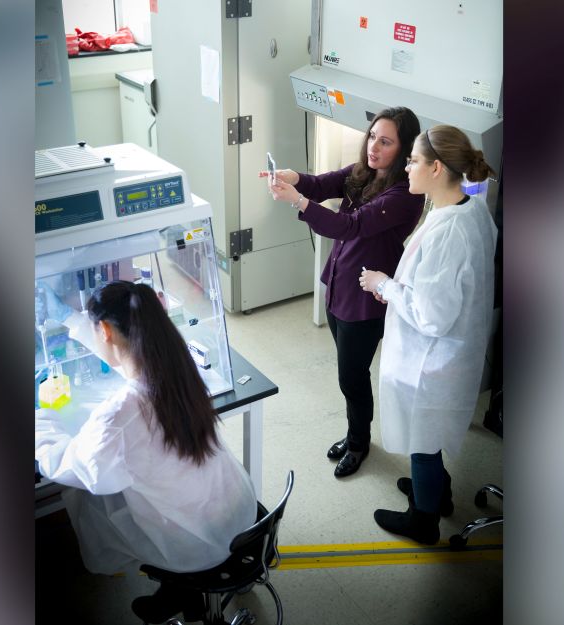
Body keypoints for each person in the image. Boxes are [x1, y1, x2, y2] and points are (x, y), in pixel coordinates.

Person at [35, 280, 257, 623]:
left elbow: (69, 465)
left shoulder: (121, 415)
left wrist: (43, 416)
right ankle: (181, 593)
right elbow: (125, 357)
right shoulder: (177, 364)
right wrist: (72, 319)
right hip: (240, 514)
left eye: (96, 331)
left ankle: (181, 587)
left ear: (105, 330)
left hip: (197, 545)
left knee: (93, 501)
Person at [262, 106, 425, 478]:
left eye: (386, 142)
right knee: (349, 373)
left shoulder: (405, 194)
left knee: (352, 376)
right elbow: (322, 183)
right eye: (372, 137)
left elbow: (350, 226)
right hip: (340, 283)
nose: (374, 147)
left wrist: (299, 202)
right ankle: (356, 435)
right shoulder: (363, 173)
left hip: (366, 298)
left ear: (403, 150)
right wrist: (294, 178)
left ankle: (358, 443)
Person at [359, 125, 497, 544]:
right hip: (449, 352)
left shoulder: (450, 230)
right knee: (430, 434)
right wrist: (399, 290)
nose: (407, 166)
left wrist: (384, 285)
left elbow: (433, 315)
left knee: (423, 435)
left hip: (434, 358)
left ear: (437, 168)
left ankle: (423, 519)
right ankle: (437, 493)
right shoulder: (469, 202)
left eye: (414, 160)